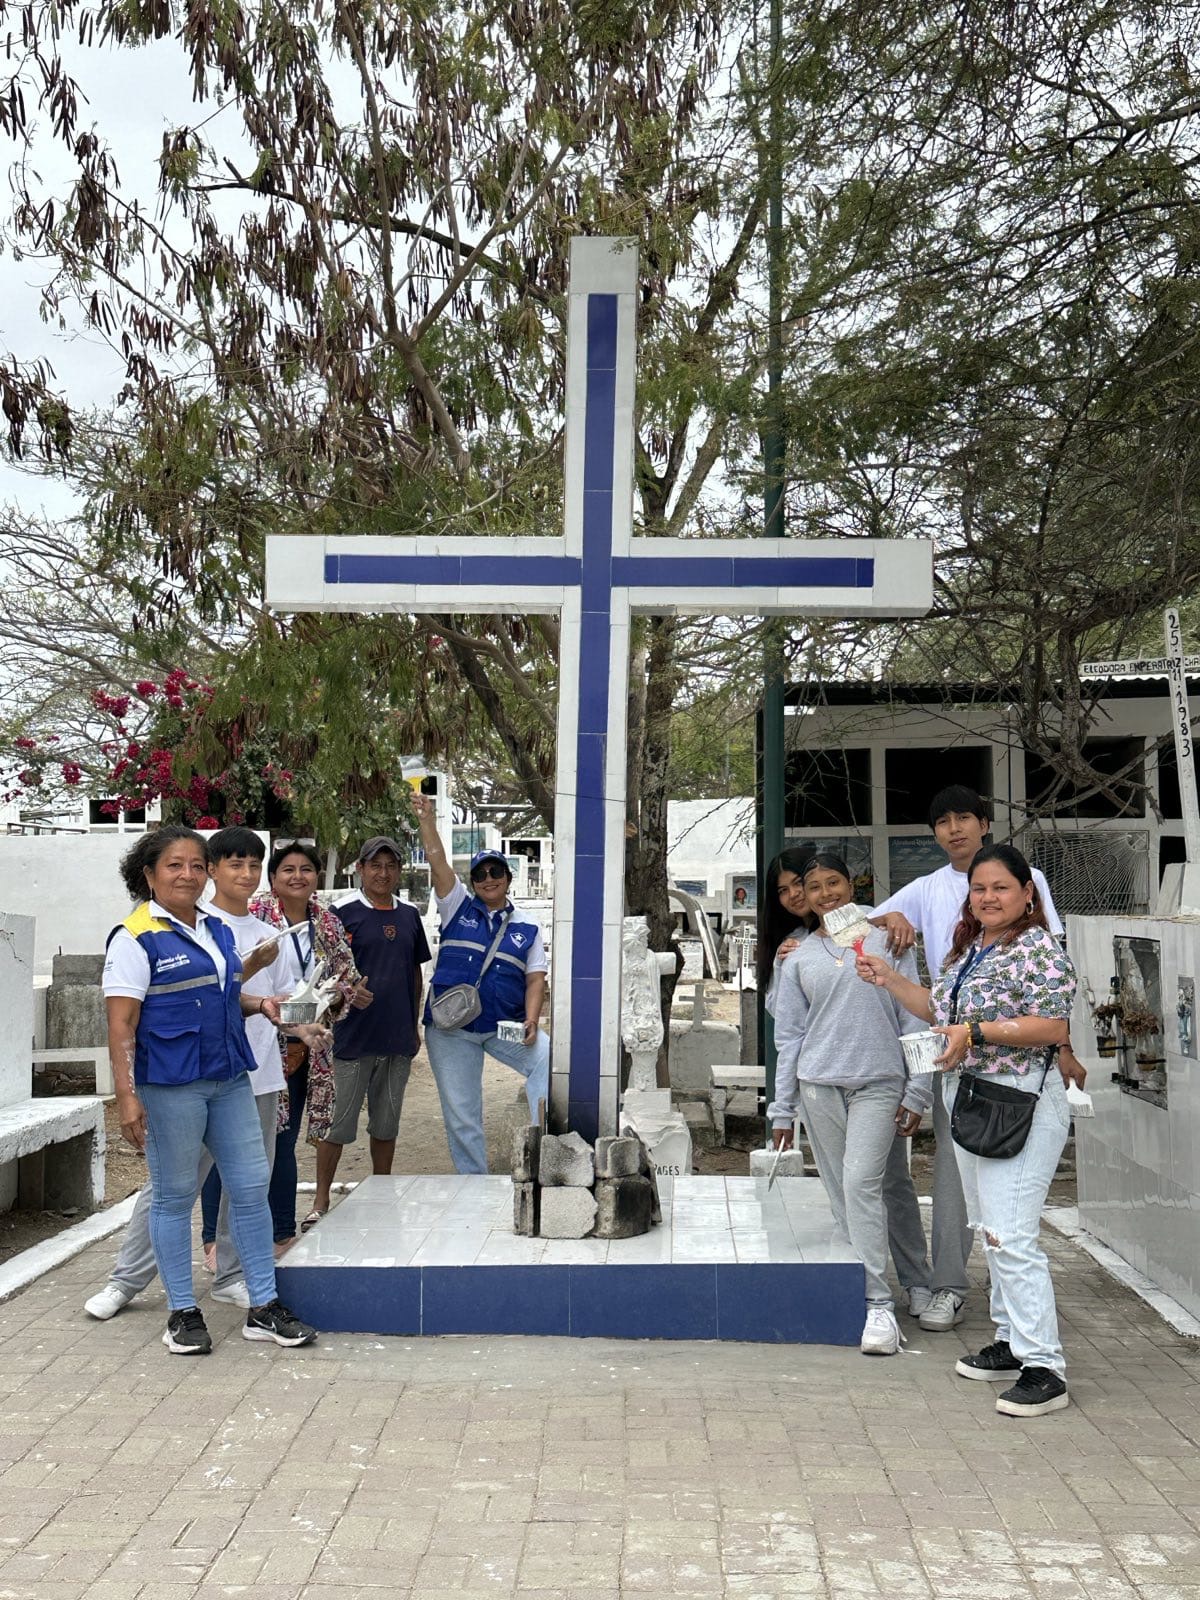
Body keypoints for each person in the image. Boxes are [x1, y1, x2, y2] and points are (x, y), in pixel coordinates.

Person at [858, 842, 1077, 1417]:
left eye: (1001, 887)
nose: (988, 897)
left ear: (1027, 893)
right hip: (974, 1100)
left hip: (1021, 1103)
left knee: (1012, 1235)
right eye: (979, 888)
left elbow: (1052, 1026)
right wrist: (888, 977)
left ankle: (1044, 1367)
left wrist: (975, 1034)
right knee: (990, 1228)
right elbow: (940, 1009)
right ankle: (1010, 1340)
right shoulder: (971, 946)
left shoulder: (1037, 948)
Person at [85, 826, 328, 1319]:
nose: (188, 874)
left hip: (234, 1075)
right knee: (172, 1193)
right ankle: (148, 1293)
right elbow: (122, 1023)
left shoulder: (216, 931)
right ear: (149, 874)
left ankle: (252, 1294)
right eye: (176, 865)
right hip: (174, 1083)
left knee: (250, 1186)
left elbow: (228, 996)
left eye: (195, 865)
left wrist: (275, 1011)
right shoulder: (136, 936)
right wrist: (126, 1097)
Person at [768, 852, 933, 1357]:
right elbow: (790, 1037)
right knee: (844, 1194)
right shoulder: (797, 957)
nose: (825, 893)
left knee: (865, 1182)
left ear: (851, 884)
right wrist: (781, 1109)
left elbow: (915, 1019)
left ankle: (883, 1300)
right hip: (819, 1086)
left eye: (833, 882)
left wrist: (918, 1090)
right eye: (813, 886)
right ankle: (872, 1290)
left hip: (879, 1084)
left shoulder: (890, 940)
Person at [413, 794, 549, 1173]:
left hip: (503, 1025)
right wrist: (426, 821)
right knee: (462, 1114)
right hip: (452, 1029)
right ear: (472, 882)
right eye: (481, 874)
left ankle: (542, 1148)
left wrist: (532, 1020)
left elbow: (535, 979)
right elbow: (438, 861)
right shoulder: (456, 905)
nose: (489, 879)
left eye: (496, 872)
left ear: (508, 877)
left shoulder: (527, 925)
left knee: (550, 1061)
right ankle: (474, 1183)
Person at [305, 837, 430, 1226]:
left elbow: (415, 972)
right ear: (360, 868)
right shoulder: (341, 913)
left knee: (387, 1122)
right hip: (350, 1038)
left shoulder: (409, 915)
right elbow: (322, 971)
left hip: (396, 1036)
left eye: (391, 865)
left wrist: (414, 1026)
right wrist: (346, 992)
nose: (383, 873)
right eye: (375, 865)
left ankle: (382, 1192)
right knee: (336, 1124)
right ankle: (321, 1200)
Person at [250, 841, 366, 1247]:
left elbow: (348, 977)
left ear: (317, 877)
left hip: (307, 1047)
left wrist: (330, 997)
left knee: (285, 1138)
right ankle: (219, 1237)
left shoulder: (327, 922)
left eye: (306, 869)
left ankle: (280, 1232)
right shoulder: (256, 916)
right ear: (273, 877)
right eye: (288, 869)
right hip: (261, 1043)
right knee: (249, 1140)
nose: (297, 876)